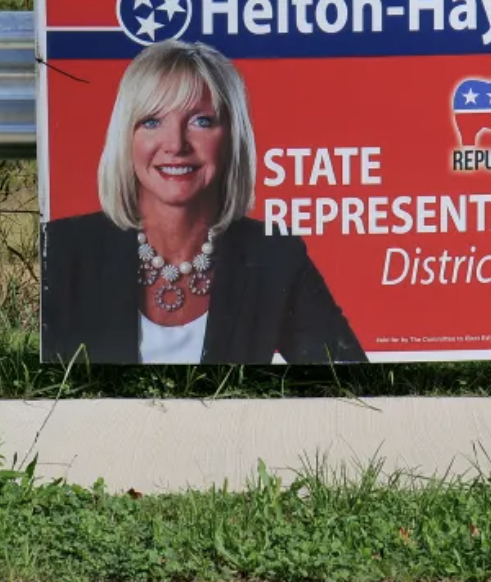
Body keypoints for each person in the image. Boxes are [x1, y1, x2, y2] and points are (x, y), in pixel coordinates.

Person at [41, 41, 364, 365]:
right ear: (127, 137)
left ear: (231, 138)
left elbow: (351, 380)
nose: (175, 144)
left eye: (201, 121)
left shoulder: (275, 255)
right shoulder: (60, 250)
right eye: (152, 121)